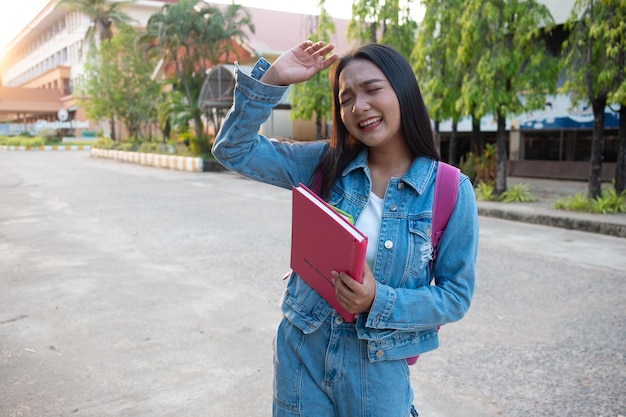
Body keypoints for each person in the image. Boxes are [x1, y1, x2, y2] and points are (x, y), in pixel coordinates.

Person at [212, 40, 479, 417]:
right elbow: (233, 150)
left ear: (403, 92)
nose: (359, 107)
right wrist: (273, 78)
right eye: (346, 98)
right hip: (303, 351)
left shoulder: (450, 191)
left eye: (372, 90)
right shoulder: (326, 162)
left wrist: (377, 301)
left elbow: (455, 296)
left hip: (379, 366)